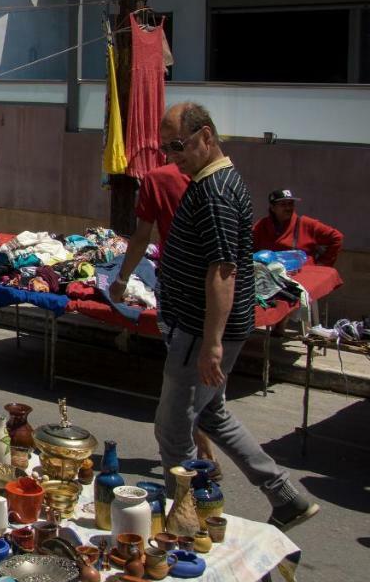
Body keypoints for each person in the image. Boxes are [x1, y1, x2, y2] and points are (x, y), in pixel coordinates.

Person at [144, 101, 317, 531]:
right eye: (166, 148)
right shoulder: (208, 182)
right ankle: (285, 494)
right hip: (203, 326)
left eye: (178, 145)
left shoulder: (216, 190)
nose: (172, 156)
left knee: (172, 430)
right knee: (211, 413)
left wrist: (212, 343)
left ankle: (183, 526)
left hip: (200, 329)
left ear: (206, 137)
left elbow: (223, 270)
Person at [110, 162, 220, 470]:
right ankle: (206, 454)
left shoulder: (158, 179)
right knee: (205, 390)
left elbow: (142, 234)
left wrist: (121, 280)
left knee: (183, 391)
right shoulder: (220, 174)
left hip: (181, 292)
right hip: (215, 288)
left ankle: (192, 466)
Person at [252, 188, 342, 268]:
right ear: (272, 208)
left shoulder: (306, 224)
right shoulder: (261, 226)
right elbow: (248, 247)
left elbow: (337, 237)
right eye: (283, 204)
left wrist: (322, 264)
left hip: (302, 277)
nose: (288, 208)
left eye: (290, 204)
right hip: (271, 278)